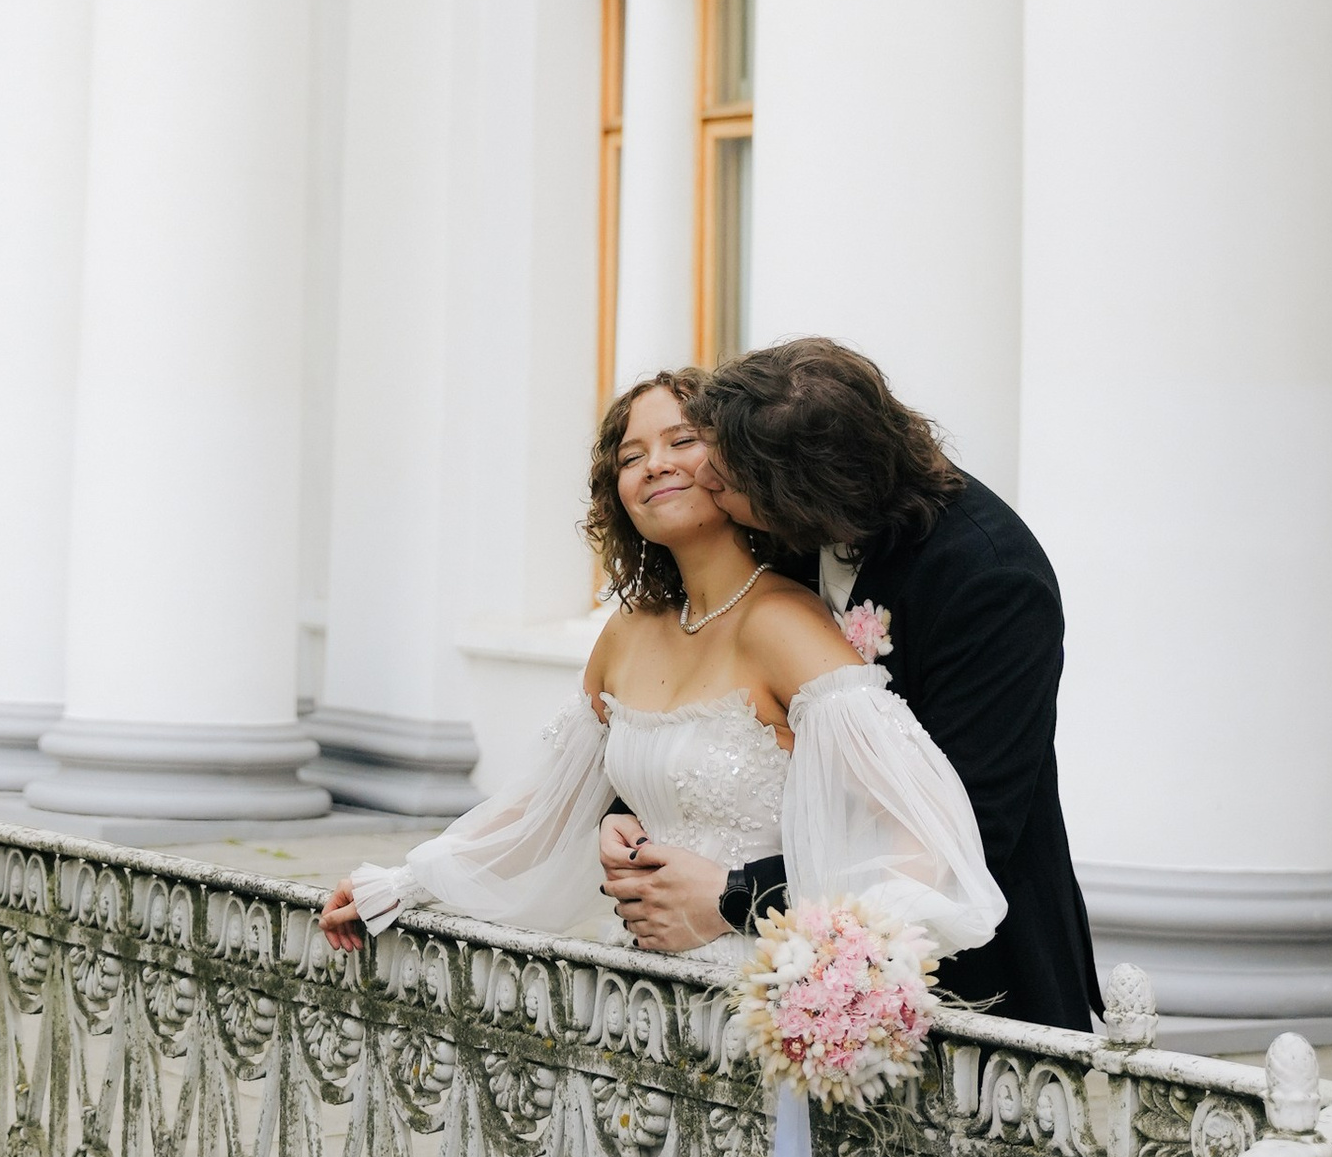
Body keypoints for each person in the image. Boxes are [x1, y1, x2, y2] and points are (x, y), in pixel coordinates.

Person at [317, 370, 1003, 966]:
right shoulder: (625, 634)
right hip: (635, 985)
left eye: (682, 441)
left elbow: (917, 834)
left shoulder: (787, 626)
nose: (654, 465)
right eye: (631, 455)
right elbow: (542, 808)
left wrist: (792, 935)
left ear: (740, 463)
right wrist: (403, 884)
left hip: (755, 978)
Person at [603, 340, 1102, 1034]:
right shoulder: (783, 536)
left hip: (956, 980)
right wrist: (632, 806)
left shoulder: (992, 582)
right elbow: (725, 717)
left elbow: (963, 833)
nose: (706, 477)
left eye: (727, 474)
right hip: (765, 971)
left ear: (795, 493)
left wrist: (736, 895)